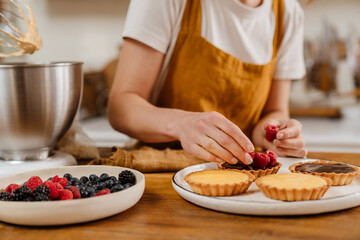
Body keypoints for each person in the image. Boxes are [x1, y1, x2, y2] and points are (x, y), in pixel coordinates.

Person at [108, 0, 307, 166]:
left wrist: (274, 135)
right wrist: (181, 124)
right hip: (165, 170)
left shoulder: (288, 12)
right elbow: (120, 107)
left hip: (242, 175)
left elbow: (274, 111)